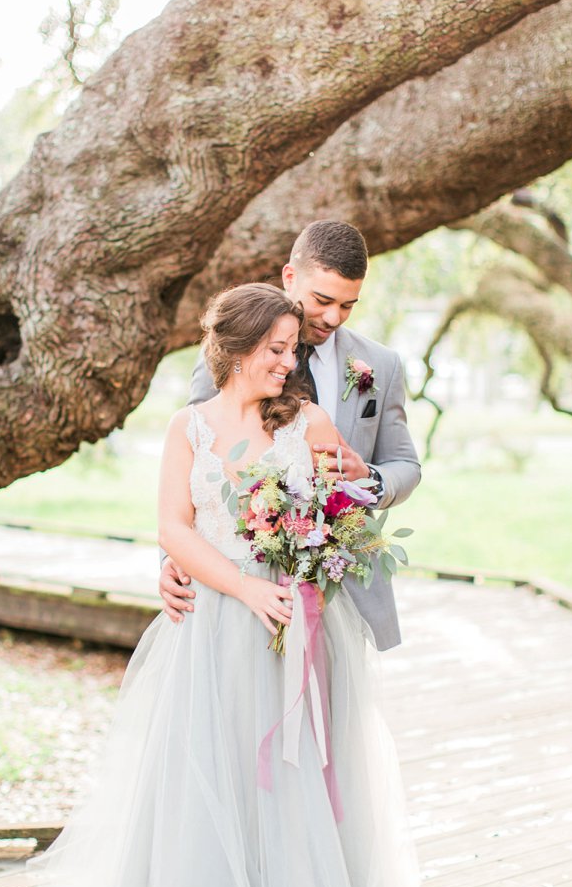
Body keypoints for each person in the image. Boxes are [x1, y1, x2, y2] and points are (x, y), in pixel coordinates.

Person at [0, 282, 467, 887]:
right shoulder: (189, 428)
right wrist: (243, 587)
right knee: (198, 818)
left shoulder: (312, 423)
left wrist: (322, 554)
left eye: (295, 348)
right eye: (277, 349)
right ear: (236, 349)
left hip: (294, 643)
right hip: (212, 644)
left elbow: (340, 520)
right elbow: (174, 528)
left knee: (293, 821)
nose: (291, 362)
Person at [161, 220, 418, 652]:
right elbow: (196, 472)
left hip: (342, 588)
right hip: (238, 593)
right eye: (322, 300)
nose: (333, 317)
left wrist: (370, 479)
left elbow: (405, 465)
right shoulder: (231, 355)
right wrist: (174, 559)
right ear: (289, 277)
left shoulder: (382, 365)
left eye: (348, 305)